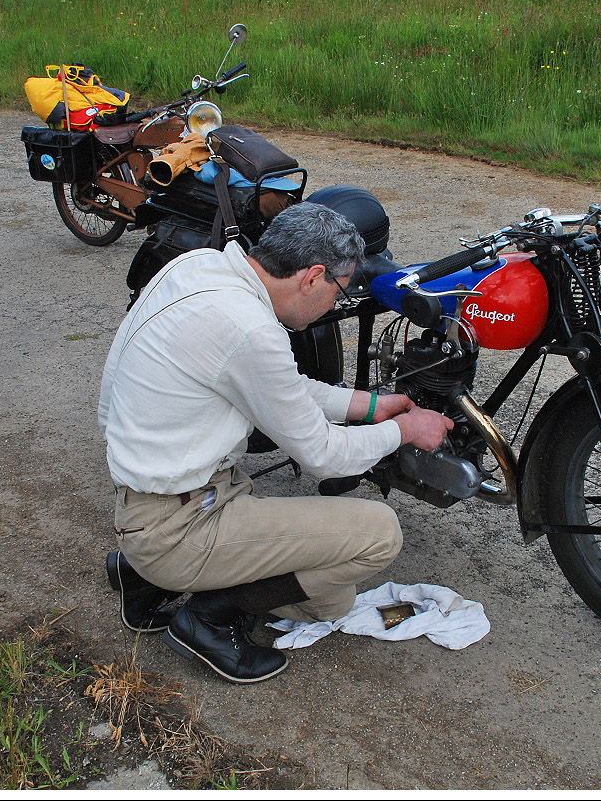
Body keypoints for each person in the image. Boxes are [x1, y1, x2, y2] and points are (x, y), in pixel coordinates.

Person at [97, 202, 453, 684]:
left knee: (334, 596)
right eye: (340, 291)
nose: (336, 305)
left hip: (154, 500)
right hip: (177, 525)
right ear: (313, 277)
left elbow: (273, 385)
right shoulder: (250, 329)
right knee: (375, 539)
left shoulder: (200, 266)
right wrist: (405, 431)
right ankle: (207, 617)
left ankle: (142, 579)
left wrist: (368, 406)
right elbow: (323, 457)